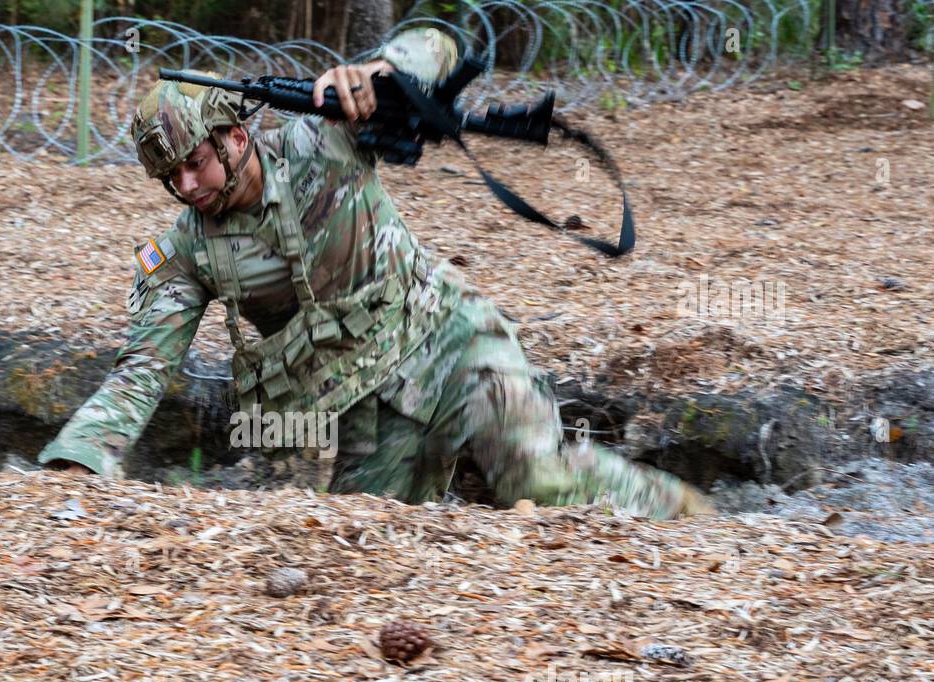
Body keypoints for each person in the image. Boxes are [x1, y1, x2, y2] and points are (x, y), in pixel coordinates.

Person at [38, 27, 713, 518]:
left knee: (538, 480)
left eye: (195, 164)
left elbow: (437, 44)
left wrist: (380, 69)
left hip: (447, 342)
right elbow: (141, 370)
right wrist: (80, 458)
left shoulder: (321, 142)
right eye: (169, 177)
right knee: (379, 543)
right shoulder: (184, 253)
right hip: (368, 415)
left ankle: (694, 524)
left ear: (234, 138)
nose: (187, 185)